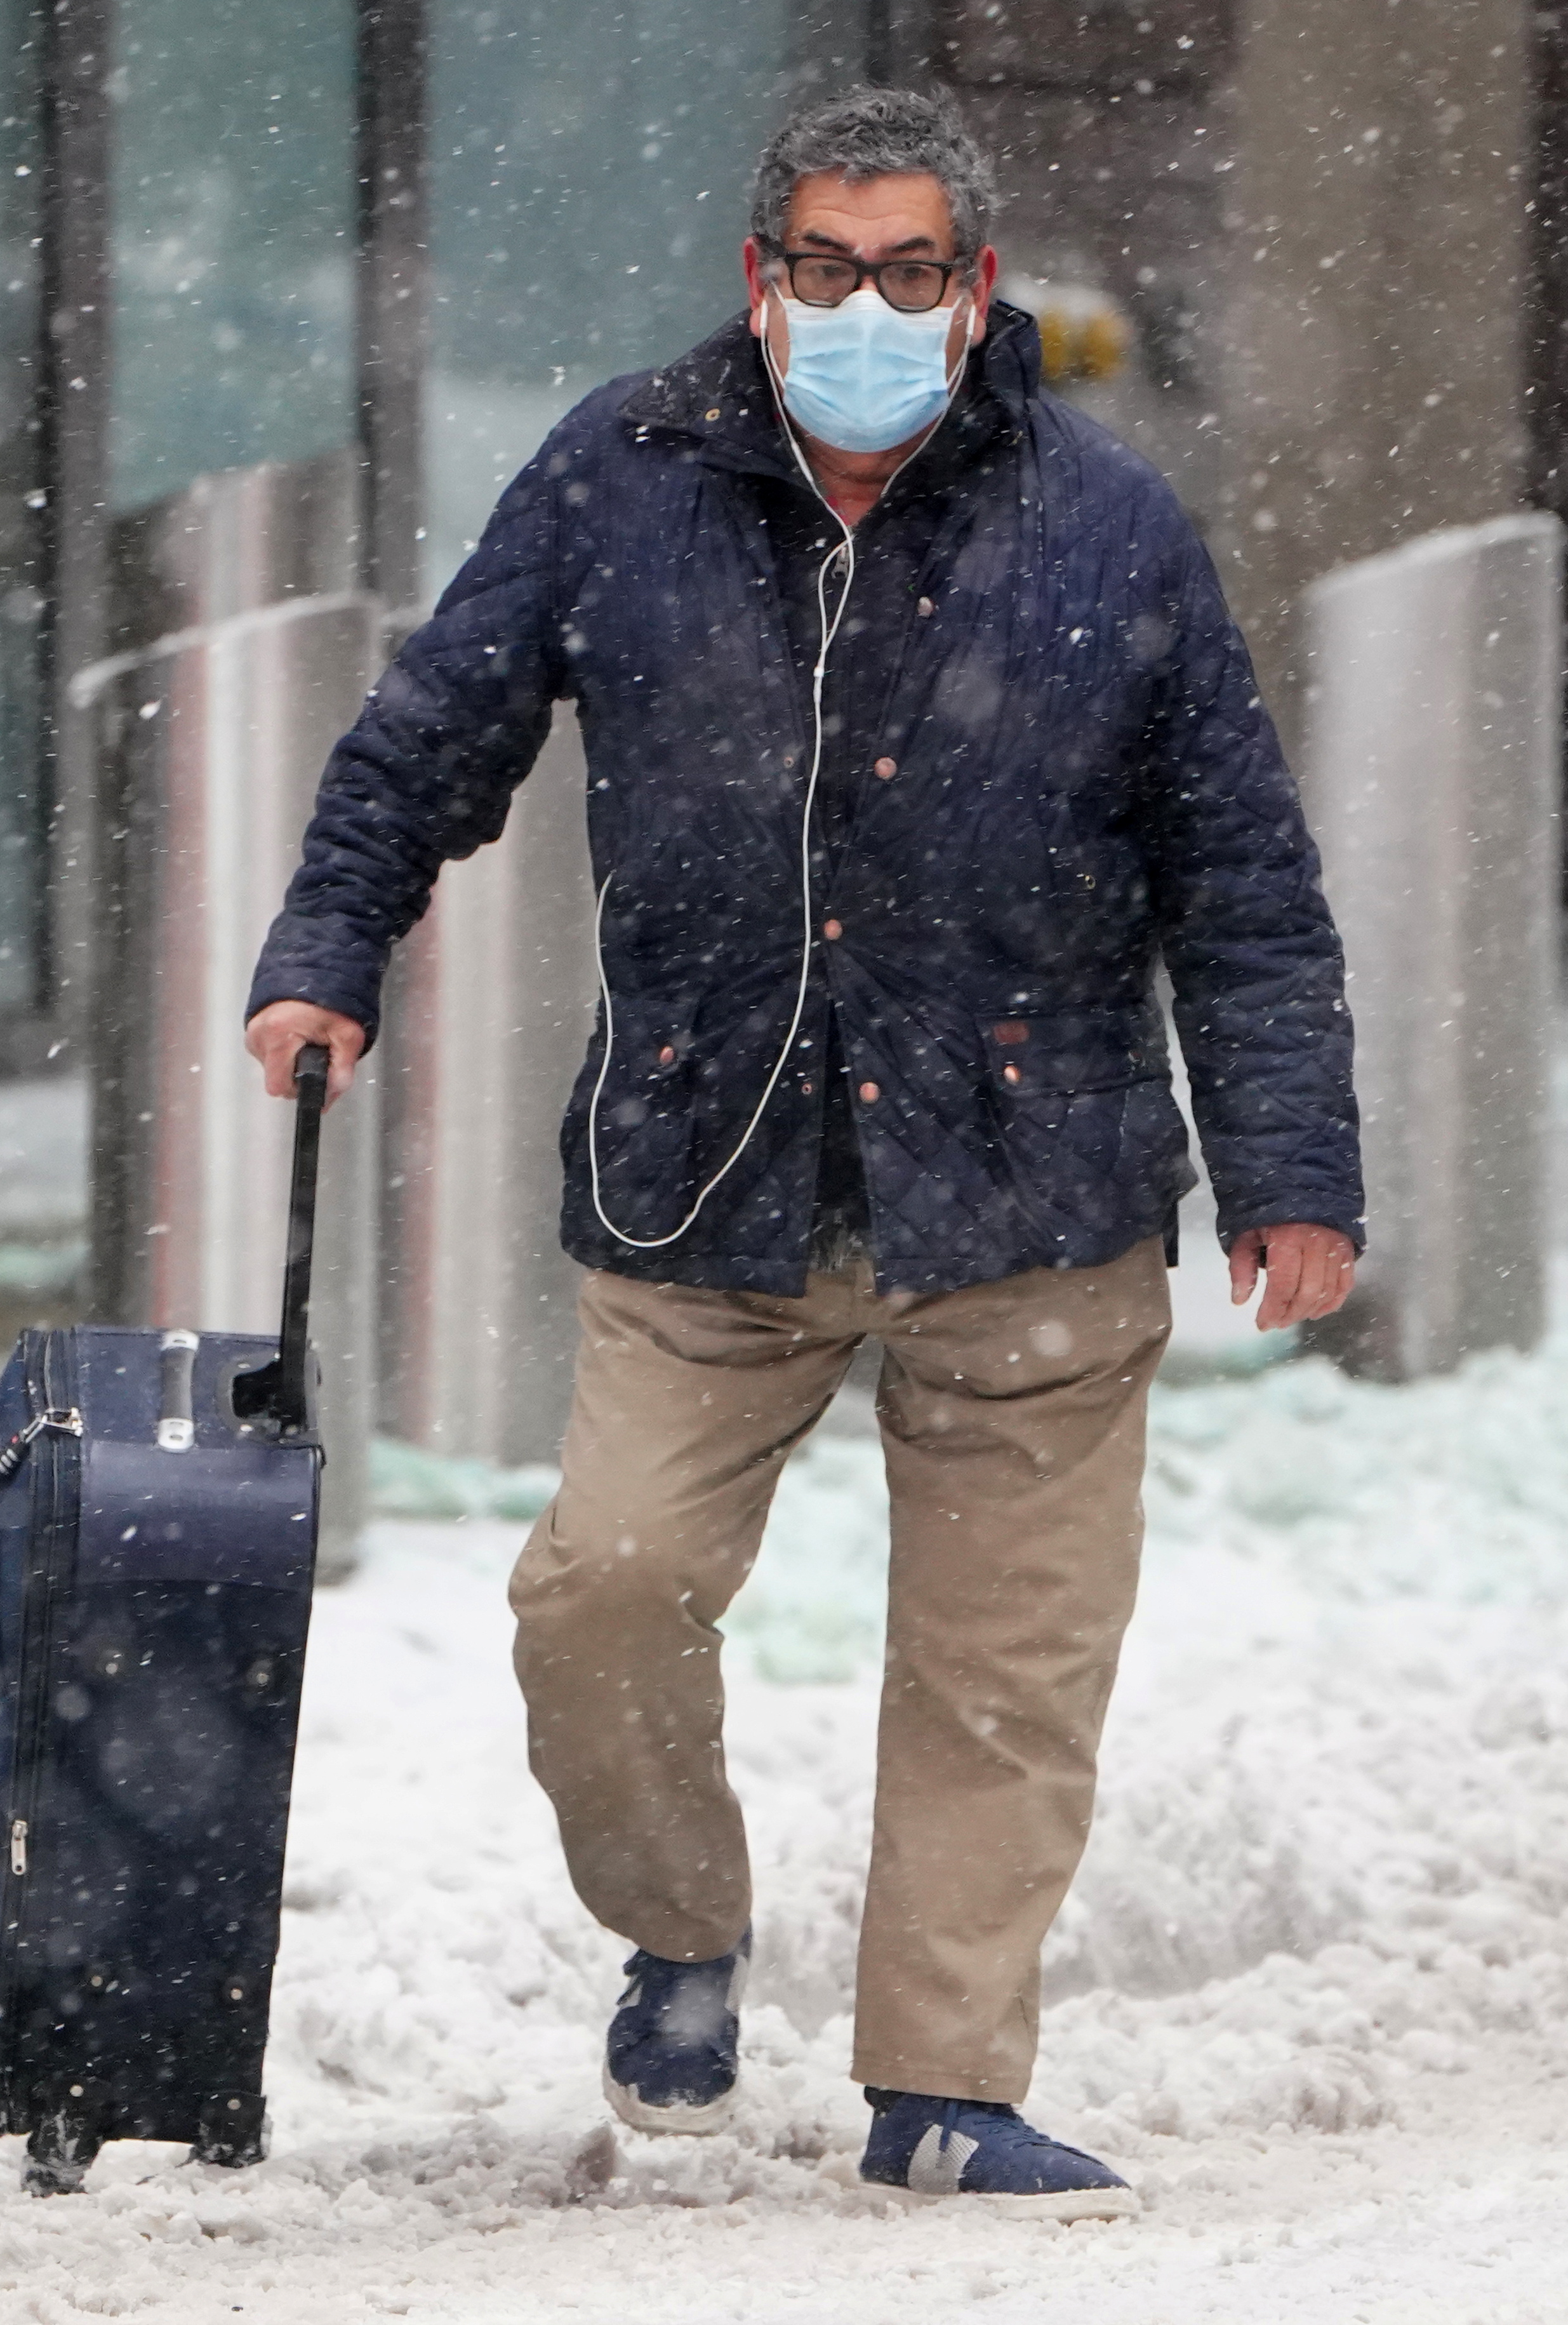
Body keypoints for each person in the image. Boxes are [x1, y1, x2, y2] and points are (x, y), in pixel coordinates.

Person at [243, 85, 1362, 2223]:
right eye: (827, 268)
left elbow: (1237, 879)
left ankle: (943, 2086)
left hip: (1034, 1185)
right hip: (705, 1173)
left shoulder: (1110, 530)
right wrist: (329, 949)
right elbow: (429, 733)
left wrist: (1291, 1169)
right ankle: (681, 1929)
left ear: (978, 291)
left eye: (913, 270)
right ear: (760, 288)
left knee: (1001, 1677)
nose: (869, 306)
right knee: (602, 1589)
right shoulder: (619, 475)